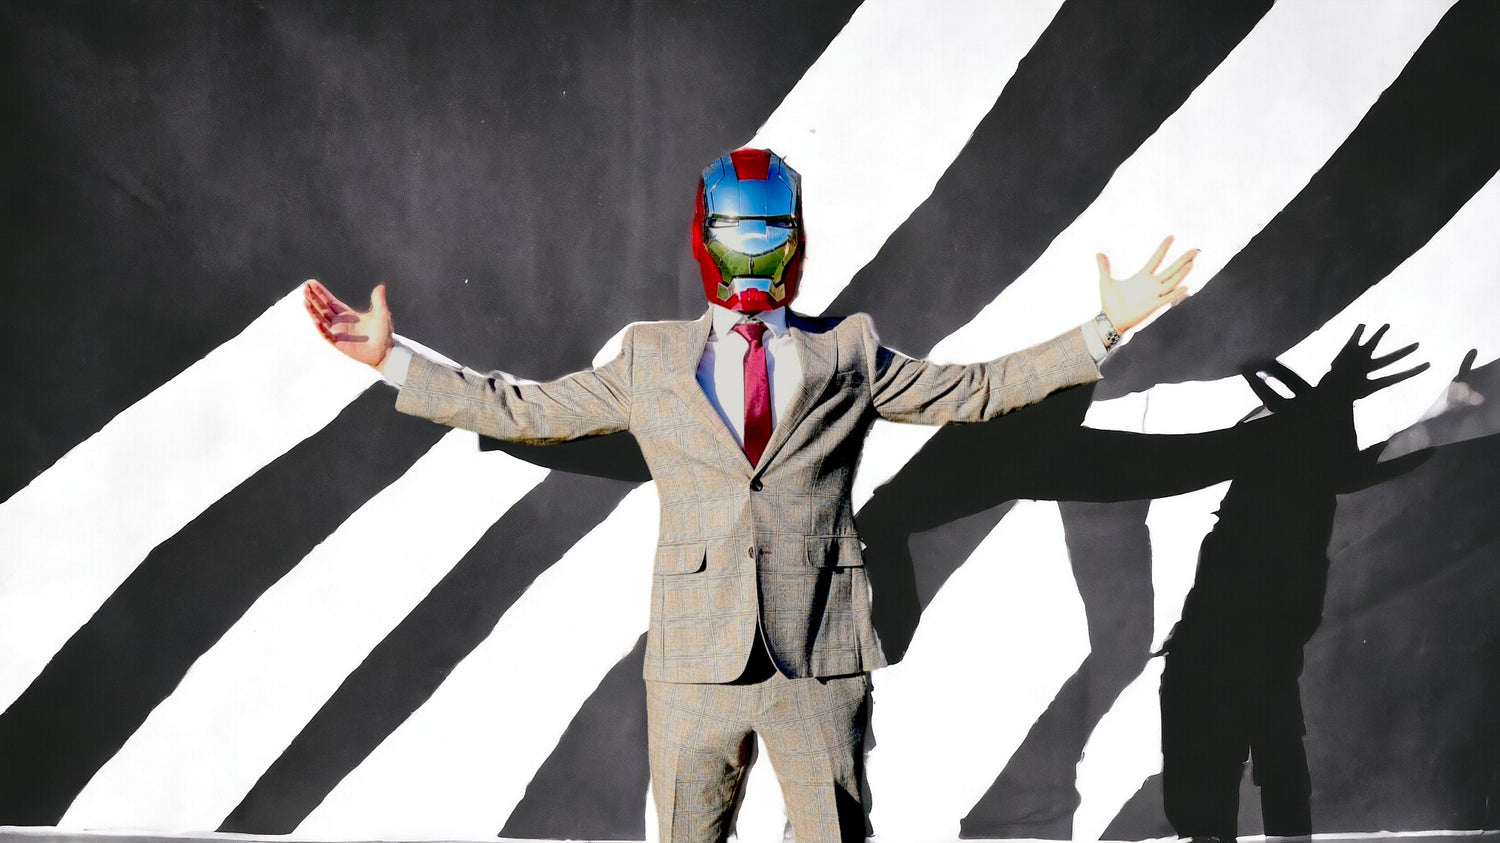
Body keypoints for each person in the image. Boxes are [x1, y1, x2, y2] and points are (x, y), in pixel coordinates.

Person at [304, 147, 1195, 842]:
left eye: (771, 226)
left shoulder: (849, 348)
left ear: (796, 234)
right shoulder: (650, 357)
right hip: (693, 664)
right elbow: (523, 409)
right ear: (707, 234)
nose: (755, 244)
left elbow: (976, 389)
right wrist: (392, 358)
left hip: (820, 657)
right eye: (739, 226)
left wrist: (1103, 327)